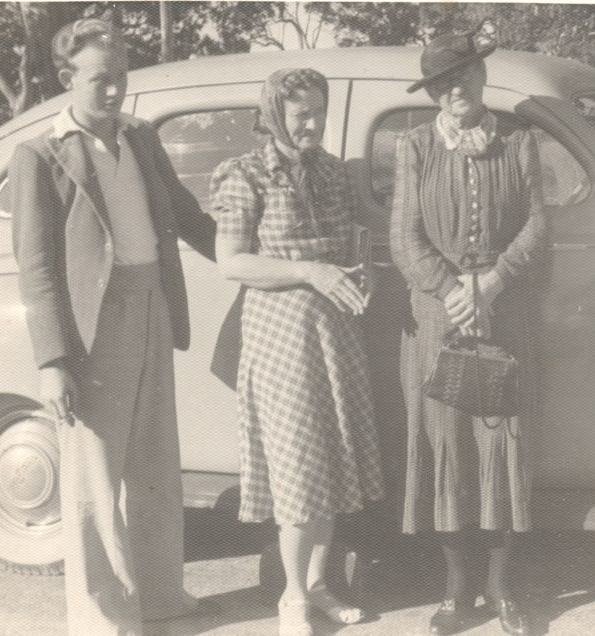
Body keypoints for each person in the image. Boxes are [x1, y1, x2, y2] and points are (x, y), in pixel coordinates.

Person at [9, 18, 216, 635]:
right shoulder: (40, 154)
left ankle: (159, 597)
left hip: (154, 303)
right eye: (100, 78)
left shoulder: (141, 137)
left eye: (121, 76)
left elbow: (186, 216)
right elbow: (36, 268)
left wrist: (251, 254)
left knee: (155, 463)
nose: (114, 89)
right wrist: (52, 362)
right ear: (66, 77)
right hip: (94, 325)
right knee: (95, 478)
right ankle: (105, 618)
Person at [211, 68, 384, 636]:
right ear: (274, 115)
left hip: (335, 332)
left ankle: (316, 584)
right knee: (298, 469)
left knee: (329, 464)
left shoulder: (333, 171)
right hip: (281, 336)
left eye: (318, 112)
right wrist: (310, 271)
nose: (311, 124)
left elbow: (352, 239)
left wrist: (361, 272)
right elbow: (232, 262)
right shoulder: (245, 174)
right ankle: (291, 598)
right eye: (299, 114)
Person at [391, 32, 547, 636]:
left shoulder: (519, 141)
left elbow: (537, 225)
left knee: (501, 444)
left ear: (483, 78)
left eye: (464, 76)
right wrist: (452, 290)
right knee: (448, 445)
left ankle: (502, 588)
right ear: (433, 92)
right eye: (442, 82)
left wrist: (494, 282)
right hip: (439, 318)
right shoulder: (414, 146)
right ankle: (456, 590)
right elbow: (405, 236)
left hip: (504, 312)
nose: (456, 89)